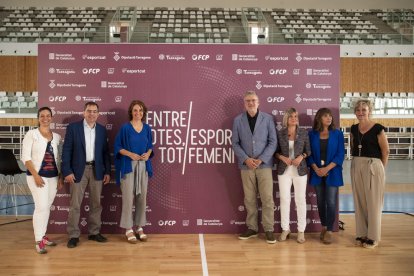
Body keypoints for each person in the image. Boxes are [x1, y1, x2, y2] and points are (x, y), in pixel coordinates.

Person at [62, 102, 111, 248]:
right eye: (89, 111)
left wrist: (107, 171)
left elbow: (105, 153)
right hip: (78, 170)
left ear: (98, 114)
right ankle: (73, 235)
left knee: (96, 203)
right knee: (75, 204)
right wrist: (67, 171)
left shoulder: (102, 130)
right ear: (84, 112)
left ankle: (94, 233)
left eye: (94, 111)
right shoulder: (73, 128)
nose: (91, 114)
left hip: (97, 170)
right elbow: (66, 151)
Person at [232, 91, 277, 244]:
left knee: (267, 198)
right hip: (246, 167)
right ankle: (252, 228)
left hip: (264, 165)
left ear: (258, 102)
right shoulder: (238, 120)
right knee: (249, 199)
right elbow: (235, 143)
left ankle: (269, 229)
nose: (251, 103)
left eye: (253, 100)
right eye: (248, 101)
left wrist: (261, 159)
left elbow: (273, 142)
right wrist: (246, 159)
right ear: (244, 104)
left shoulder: (268, 119)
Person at [21, 107, 63, 254]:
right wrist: (36, 176)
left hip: (53, 177)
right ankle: (39, 241)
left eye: (48, 116)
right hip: (37, 176)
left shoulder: (57, 137)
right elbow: (25, 158)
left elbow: (59, 159)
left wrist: (61, 177)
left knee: (47, 207)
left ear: (52, 117)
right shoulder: (31, 134)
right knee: (41, 207)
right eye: (42, 116)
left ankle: (43, 236)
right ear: (38, 118)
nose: (45, 118)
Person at [350, 99, 389, 249]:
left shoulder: (378, 128)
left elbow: (385, 151)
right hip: (356, 164)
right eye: (358, 110)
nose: (361, 113)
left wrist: (380, 170)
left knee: (373, 203)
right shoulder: (353, 129)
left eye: (364, 110)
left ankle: (373, 237)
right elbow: (354, 146)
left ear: (369, 111)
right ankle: (361, 233)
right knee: (359, 201)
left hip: (374, 166)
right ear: (355, 112)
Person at [114, 100, 154, 244]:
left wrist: (148, 154)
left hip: (143, 166)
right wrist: (130, 154)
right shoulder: (125, 128)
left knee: (142, 197)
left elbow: (150, 145)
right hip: (128, 166)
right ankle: (128, 228)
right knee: (128, 198)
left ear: (144, 113)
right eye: (135, 110)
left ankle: (139, 227)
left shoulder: (147, 128)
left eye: (141, 110)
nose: (138, 113)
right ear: (131, 111)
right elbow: (117, 146)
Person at [308, 108, 345, 244]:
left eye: (330, 116)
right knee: (320, 202)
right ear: (319, 118)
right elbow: (308, 153)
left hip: (332, 172)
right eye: (325, 116)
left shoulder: (337, 134)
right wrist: (317, 168)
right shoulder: (312, 134)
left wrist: (327, 168)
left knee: (331, 202)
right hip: (317, 172)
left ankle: (329, 230)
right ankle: (323, 226)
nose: (329, 118)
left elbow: (341, 154)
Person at [275, 107, 311, 244]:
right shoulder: (280, 133)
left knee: (300, 200)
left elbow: (308, 151)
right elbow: (276, 152)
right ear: (286, 119)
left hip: (300, 171)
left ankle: (301, 231)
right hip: (284, 171)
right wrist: (282, 158)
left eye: (296, 116)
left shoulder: (303, 133)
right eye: (291, 117)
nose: (294, 119)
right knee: (284, 200)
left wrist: (301, 157)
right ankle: (286, 229)